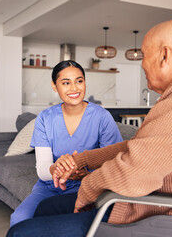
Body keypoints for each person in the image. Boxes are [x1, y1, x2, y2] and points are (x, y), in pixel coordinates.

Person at [7, 19, 172, 236]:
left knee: (20, 232)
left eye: (144, 55)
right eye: (65, 82)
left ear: (164, 55)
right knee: (47, 207)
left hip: (149, 213)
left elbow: (132, 174)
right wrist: (83, 161)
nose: (142, 64)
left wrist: (87, 186)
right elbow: (137, 147)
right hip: (147, 201)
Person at [9, 60, 123, 227]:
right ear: (55, 86)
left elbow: (115, 162)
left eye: (79, 81)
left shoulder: (102, 117)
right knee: (19, 219)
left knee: (69, 224)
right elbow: (42, 169)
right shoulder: (45, 118)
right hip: (50, 186)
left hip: (89, 186)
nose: (74, 88)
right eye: (66, 83)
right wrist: (59, 170)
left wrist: (84, 173)